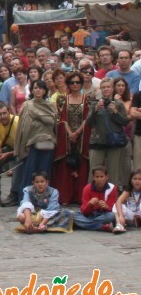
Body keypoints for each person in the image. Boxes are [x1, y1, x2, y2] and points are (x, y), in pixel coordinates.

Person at [53, 72, 91, 205]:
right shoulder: (63, 99)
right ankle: (65, 196)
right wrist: (70, 133)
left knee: (81, 164)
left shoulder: (87, 99)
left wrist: (78, 132)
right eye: (72, 82)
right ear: (68, 84)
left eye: (77, 82)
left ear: (81, 84)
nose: (75, 84)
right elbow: (62, 118)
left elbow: (87, 118)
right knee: (66, 165)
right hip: (66, 136)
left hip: (82, 136)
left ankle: (80, 197)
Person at [15, 80, 57, 192]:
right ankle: (26, 198)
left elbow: (53, 123)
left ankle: (45, 198)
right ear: (32, 90)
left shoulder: (50, 106)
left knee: (45, 172)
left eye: (40, 88)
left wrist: (38, 117)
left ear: (44, 91)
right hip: (31, 143)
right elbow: (22, 125)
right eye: (35, 88)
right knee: (30, 172)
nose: (38, 90)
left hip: (47, 143)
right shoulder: (27, 105)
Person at [86, 78, 129, 188]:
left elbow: (124, 122)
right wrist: (95, 110)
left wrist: (115, 112)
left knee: (113, 172)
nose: (106, 89)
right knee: (94, 170)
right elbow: (89, 122)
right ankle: (91, 196)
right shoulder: (95, 103)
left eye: (108, 87)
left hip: (114, 142)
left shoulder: (118, 104)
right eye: (103, 87)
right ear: (100, 89)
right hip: (97, 141)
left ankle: (112, 197)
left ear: (112, 88)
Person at [74, 165, 118, 232]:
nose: (99, 179)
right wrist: (89, 204)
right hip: (89, 215)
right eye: (97, 177)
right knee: (74, 215)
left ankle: (84, 224)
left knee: (112, 216)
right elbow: (83, 211)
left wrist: (106, 207)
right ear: (93, 178)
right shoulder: (87, 188)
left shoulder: (112, 188)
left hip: (103, 215)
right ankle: (101, 227)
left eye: (101, 177)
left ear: (107, 177)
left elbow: (113, 209)